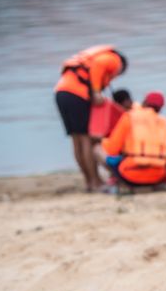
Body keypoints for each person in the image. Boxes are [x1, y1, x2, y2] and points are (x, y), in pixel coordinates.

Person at [54, 45, 127, 191]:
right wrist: (96, 92)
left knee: (77, 140)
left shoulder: (88, 59)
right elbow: (99, 65)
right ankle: (96, 182)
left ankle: (89, 181)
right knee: (86, 139)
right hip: (77, 94)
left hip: (61, 92)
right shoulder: (114, 59)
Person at [95, 92, 166, 187]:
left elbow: (112, 149)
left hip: (131, 175)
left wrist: (103, 140)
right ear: (161, 108)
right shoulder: (163, 122)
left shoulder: (129, 116)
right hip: (159, 176)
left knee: (97, 149)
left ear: (144, 102)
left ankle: (115, 178)